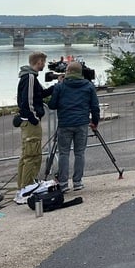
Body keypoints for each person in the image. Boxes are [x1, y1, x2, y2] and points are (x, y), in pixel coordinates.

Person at [47, 61, 100, 191]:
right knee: (79, 153)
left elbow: (52, 105)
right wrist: (95, 122)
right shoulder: (88, 86)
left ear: (67, 72)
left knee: (64, 153)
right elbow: (94, 106)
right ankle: (77, 182)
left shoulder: (61, 86)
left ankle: (63, 183)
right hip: (82, 123)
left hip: (65, 123)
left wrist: (58, 85)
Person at [16, 51, 54, 189]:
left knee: (27, 155)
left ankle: (22, 187)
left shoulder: (29, 77)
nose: (44, 65)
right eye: (43, 62)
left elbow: (40, 94)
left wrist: (56, 86)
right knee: (33, 155)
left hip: (27, 121)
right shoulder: (30, 77)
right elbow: (28, 100)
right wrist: (34, 118)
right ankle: (28, 187)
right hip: (30, 122)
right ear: (39, 62)